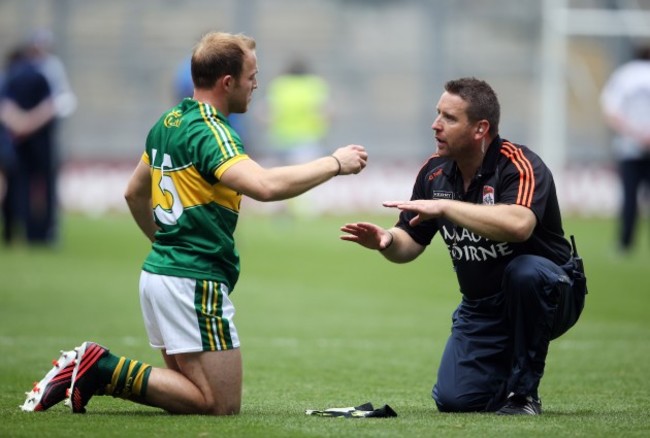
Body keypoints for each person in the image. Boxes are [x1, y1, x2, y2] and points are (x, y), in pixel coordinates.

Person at [21, 31, 367, 416]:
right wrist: (335, 163)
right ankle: (100, 366)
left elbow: (134, 193)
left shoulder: (168, 123)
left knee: (193, 395)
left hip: (162, 275)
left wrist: (164, 243)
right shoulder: (213, 131)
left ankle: (98, 369)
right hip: (192, 280)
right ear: (227, 82)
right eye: (252, 75)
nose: (257, 84)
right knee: (219, 404)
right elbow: (264, 187)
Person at [341, 77, 587, 415]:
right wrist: (386, 241)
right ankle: (503, 374)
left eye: (449, 118)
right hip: (481, 308)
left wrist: (446, 207)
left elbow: (519, 225)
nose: (435, 125)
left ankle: (523, 394)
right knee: (455, 401)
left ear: (480, 128)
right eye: (437, 114)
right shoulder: (433, 173)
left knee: (525, 272)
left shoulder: (519, 164)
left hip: (552, 293)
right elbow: (410, 242)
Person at [0, 44, 57, 245]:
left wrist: (20, 124)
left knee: (18, 187)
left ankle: (12, 231)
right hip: (41, 141)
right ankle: (40, 234)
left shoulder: (10, 77)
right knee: (44, 187)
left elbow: (5, 106)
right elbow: (50, 106)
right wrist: (30, 123)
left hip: (16, 141)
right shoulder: (41, 76)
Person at [261, 57, 332, 216]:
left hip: (280, 138)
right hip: (307, 138)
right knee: (306, 177)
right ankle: (306, 212)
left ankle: (278, 210)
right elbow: (324, 112)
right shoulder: (315, 85)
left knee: (279, 176)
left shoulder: (279, 85)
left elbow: (267, 113)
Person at [600, 45, 650, 253]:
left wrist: (635, 134)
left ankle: (625, 243)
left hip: (629, 147)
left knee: (630, 197)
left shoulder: (623, 75)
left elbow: (611, 111)